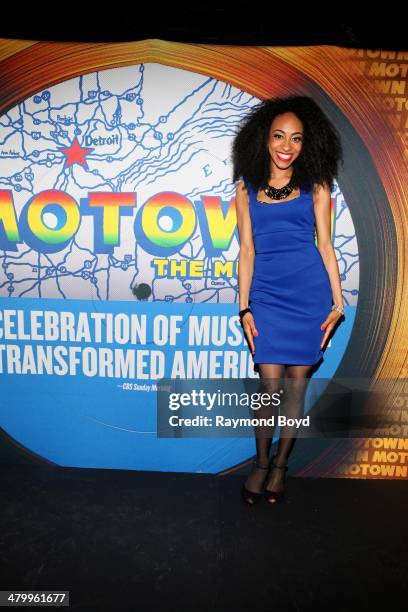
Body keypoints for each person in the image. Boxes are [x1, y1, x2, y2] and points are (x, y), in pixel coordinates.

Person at [232, 96, 344, 505]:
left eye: (296, 138)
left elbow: (327, 247)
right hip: (267, 296)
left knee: (296, 389)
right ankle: (260, 463)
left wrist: (338, 302)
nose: (286, 145)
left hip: (309, 294)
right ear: (264, 139)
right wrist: (243, 307)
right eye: (279, 136)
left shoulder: (317, 187)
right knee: (269, 387)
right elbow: (246, 252)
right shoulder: (245, 189)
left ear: (305, 144)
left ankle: (280, 466)